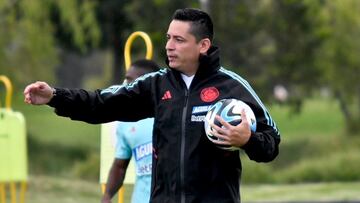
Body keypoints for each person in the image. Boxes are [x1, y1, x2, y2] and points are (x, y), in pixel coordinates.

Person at [24, 8, 280, 203]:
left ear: (203, 45)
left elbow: (271, 141)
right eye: (169, 38)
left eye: (179, 40)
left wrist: (248, 139)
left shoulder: (232, 87)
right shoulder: (156, 85)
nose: (169, 45)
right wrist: (55, 96)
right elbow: (102, 103)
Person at [102, 59, 159, 203]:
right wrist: (107, 196)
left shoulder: (170, 112)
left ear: (147, 82)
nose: (124, 85)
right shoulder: (125, 121)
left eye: (129, 80)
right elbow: (120, 166)